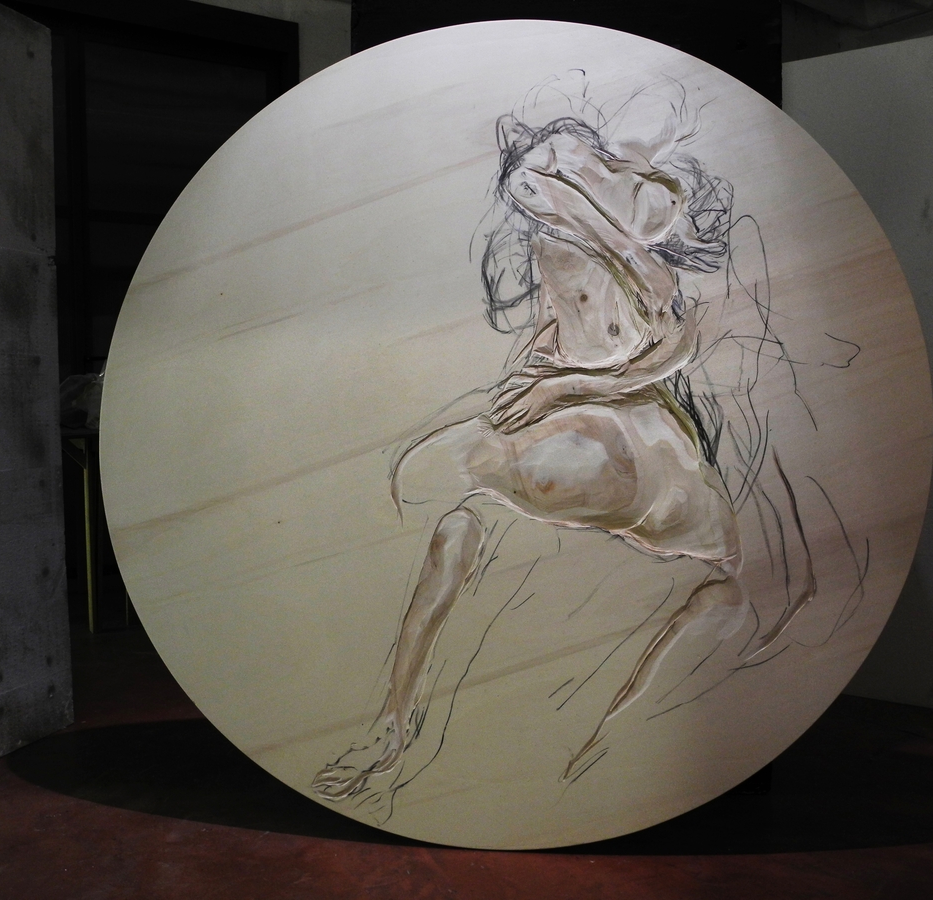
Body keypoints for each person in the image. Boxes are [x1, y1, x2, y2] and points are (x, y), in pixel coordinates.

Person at [312, 110, 757, 802]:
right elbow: (585, 325)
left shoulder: (621, 253)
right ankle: (397, 729)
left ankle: (426, 735)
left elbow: (666, 346)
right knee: (443, 509)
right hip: (600, 426)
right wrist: (541, 378)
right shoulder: (572, 238)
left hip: (623, 437)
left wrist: (562, 385)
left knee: (718, 584)